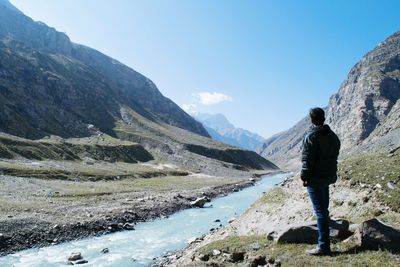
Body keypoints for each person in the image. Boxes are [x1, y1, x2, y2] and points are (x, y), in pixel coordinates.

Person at [301, 107, 340, 256]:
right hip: (327, 177)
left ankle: (323, 246)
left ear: (311, 119)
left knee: (320, 212)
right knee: (324, 210)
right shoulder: (333, 136)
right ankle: (325, 241)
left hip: (315, 179)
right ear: (323, 118)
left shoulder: (311, 136)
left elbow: (307, 160)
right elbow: (334, 155)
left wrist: (304, 176)